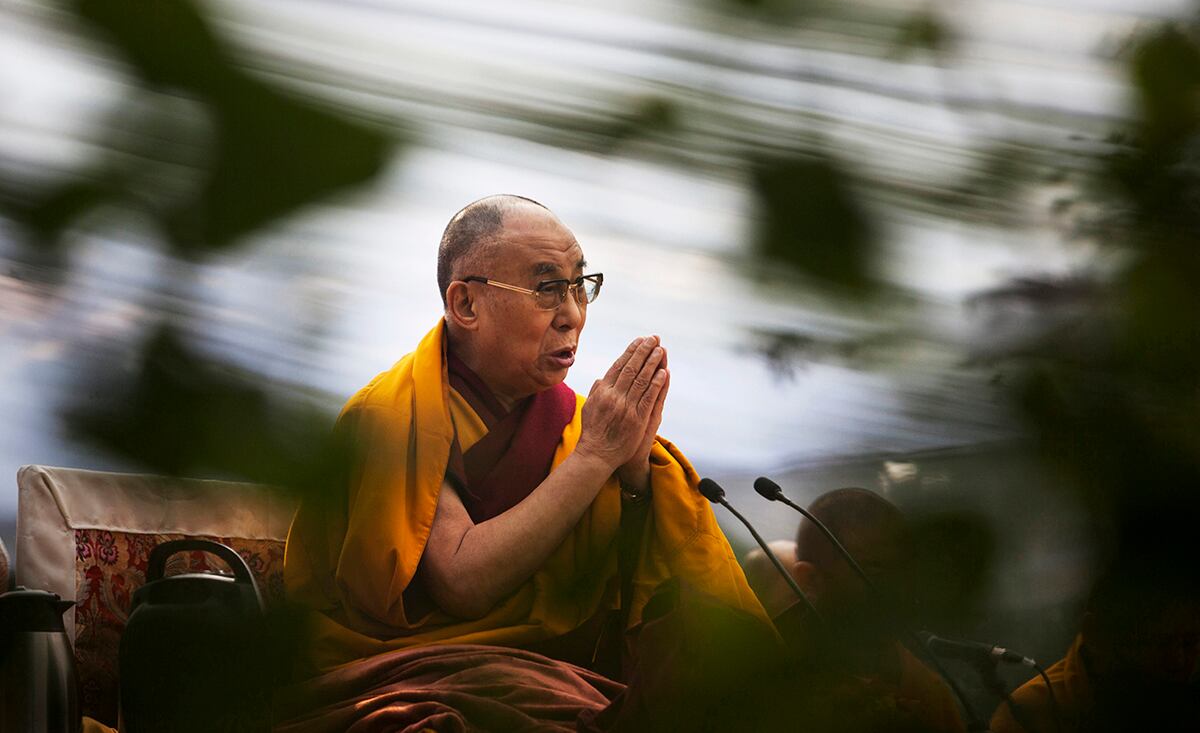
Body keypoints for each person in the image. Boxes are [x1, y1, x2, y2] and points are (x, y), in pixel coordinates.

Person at [283, 194, 765, 679]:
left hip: (557, 673)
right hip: (410, 673)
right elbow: (461, 582)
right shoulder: (393, 416)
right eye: (549, 288)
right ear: (466, 303)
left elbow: (640, 593)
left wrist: (638, 476)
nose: (573, 315)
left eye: (580, 287)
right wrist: (596, 457)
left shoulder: (580, 423)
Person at [773, 487, 967, 733]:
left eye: (903, 569)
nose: (898, 587)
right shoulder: (761, 667)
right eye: (874, 570)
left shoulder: (925, 687)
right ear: (809, 579)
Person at [989, 565, 1200, 733]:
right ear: (1096, 635)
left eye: (1190, 643)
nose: (1178, 661)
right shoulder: (1030, 711)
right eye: (1157, 644)